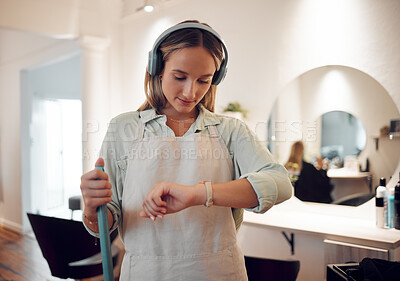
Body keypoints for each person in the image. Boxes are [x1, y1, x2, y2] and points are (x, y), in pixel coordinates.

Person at [80, 20, 293, 280]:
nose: (191, 92)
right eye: (179, 77)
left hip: (218, 272)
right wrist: (92, 208)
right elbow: (107, 220)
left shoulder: (230, 131)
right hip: (147, 273)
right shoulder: (123, 128)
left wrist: (198, 194)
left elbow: (281, 184)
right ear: (157, 69)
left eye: (204, 81)